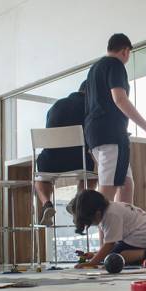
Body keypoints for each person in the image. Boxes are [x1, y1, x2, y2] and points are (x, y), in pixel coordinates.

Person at [84, 33, 146, 204]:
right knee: (107, 192)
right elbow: (120, 99)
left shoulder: (94, 69)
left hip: (94, 134)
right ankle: (108, 231)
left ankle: (123, 227)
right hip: (111, 134)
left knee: (126, 184)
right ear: (125, 51)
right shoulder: (115, 65)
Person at [34, 81, 97, 226]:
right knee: (93, 175)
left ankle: (47, 204)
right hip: (78, 161)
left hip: (50, 161)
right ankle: (78, 201)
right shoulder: (91, 107)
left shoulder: (55, 106)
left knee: (42, 178)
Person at [72, 189, 146, 267]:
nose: (93, 224)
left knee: (115, 258)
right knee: (112, 254)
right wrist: (94, 255)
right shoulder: (111, 208)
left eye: (91, 222)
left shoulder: (111, 214)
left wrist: (92, 263)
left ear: (97, 214)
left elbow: (109, 245)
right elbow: (112, 245)